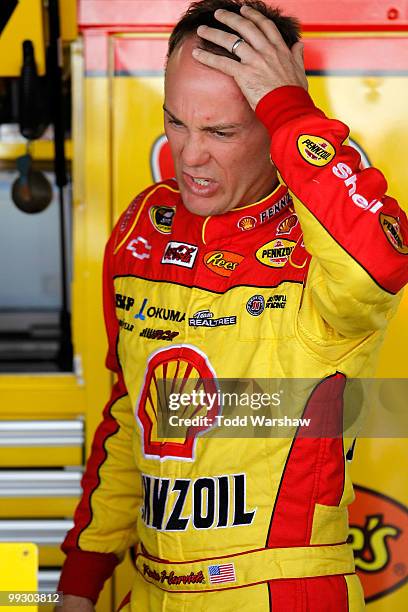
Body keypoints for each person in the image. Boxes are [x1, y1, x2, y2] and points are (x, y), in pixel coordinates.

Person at [58, 0, 408, 610]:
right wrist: (80, 581)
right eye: (176, 123)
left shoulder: (315, 251)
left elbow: (383, 259)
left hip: (279, 594)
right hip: (149, 589)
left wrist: (292, 109)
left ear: (272, 126)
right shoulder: (146, 225)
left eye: (220, 131)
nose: (188, 156)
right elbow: (128, 417)